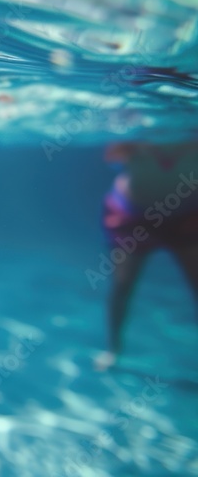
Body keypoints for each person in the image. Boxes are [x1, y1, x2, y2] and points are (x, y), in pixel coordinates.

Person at [94, 141, 198, 371]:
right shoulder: (135, 130)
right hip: (132, 215)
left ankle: (113, 350)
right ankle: (114, 349)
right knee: (122, 286)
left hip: (186, 217)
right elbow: (112, 155)